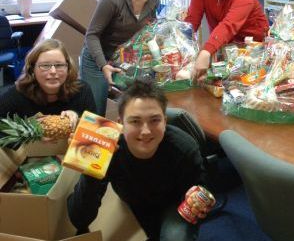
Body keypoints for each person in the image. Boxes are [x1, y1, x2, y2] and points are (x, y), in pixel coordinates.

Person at [67, 80, 209, 241]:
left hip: (172, 206)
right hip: (131, 203)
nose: (146, 131)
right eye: (135, 121)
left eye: (155, 120)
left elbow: (198, 189)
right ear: (121, 123)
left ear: (165, 121)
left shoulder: (184, 147)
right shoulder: (107, 147)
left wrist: (198, 202)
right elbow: (79, 220)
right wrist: (90, 168)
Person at [81, 0, 161, 116]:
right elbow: (91, 34)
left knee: (135, 108)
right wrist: (103, 65)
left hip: (124, 59)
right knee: (95, 113)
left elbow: (149, 29)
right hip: (97, 59)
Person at [184, 0, 269, 83]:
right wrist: (180, 44)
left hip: (251, 50)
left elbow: (228, 25)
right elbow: (191, 21)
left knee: (243, 85)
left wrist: (206, 51)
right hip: (224, 47)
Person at [0, 39, 96, 134]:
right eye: (45, 65)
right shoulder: (18, 93)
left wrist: (78, 118)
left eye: (59, 65)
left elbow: (96, 129)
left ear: (68, 68)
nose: (53, 71)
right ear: (32, 69)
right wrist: (26, 133)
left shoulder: (82, 90)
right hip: (31, 149)